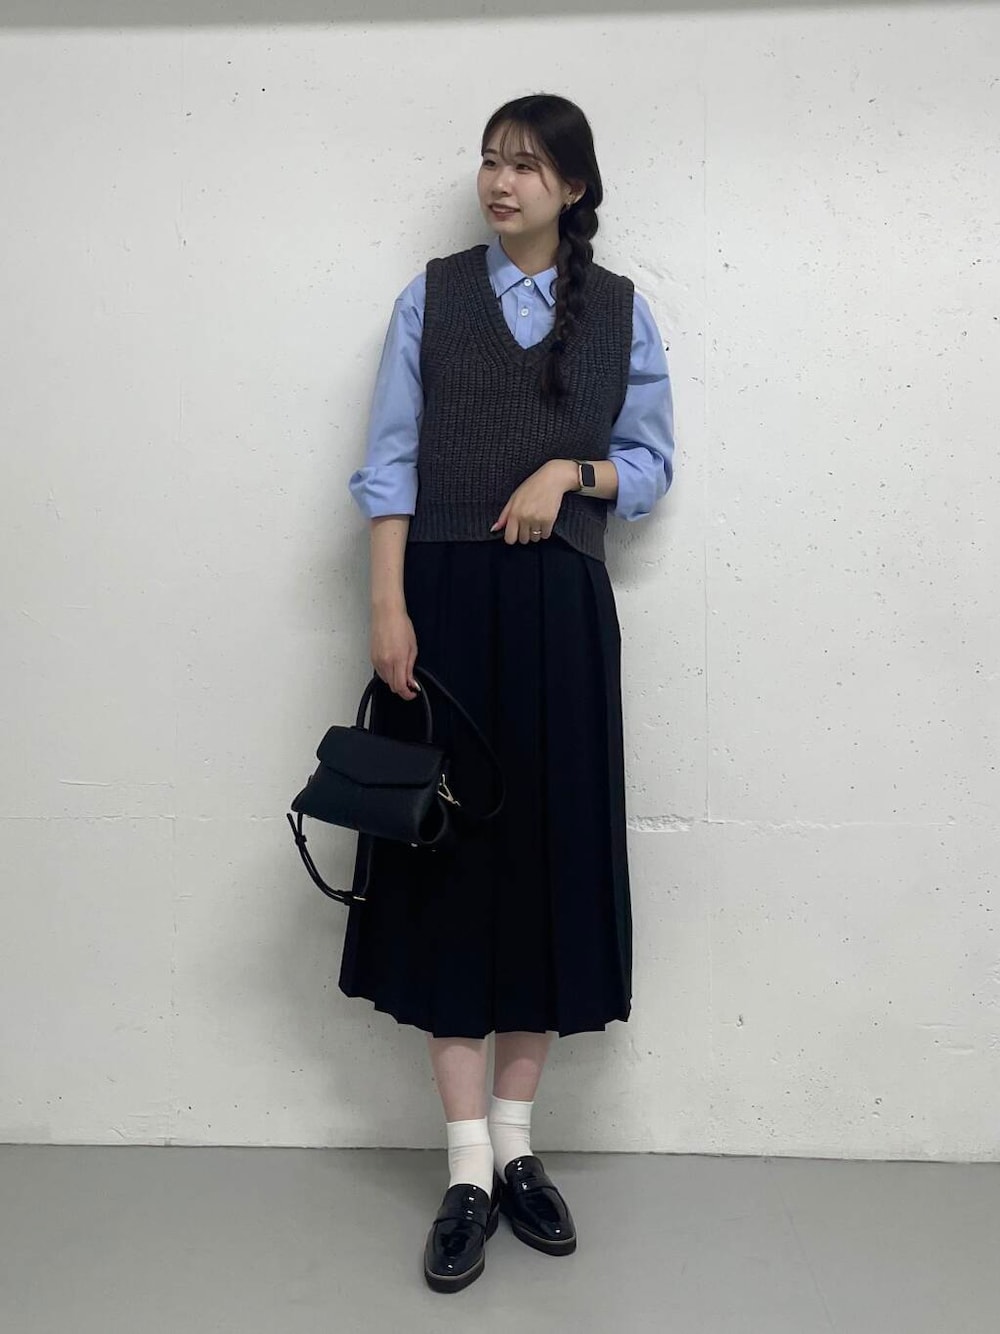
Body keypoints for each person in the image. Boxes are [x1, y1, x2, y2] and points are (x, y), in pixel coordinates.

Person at [340, 93, 676, 1293]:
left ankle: (519, 1146)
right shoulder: (429, 299)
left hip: (560, 619)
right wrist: (387, 608)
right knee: (447, 868)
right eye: (490, 160)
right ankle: (466, 1168)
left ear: (572, 187)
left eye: (526, 165)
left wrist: (566, 471)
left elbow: (649, 464)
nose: (500, 181)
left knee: (545, 863)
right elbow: (388, 463)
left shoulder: (621, 311)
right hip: (440, 609)